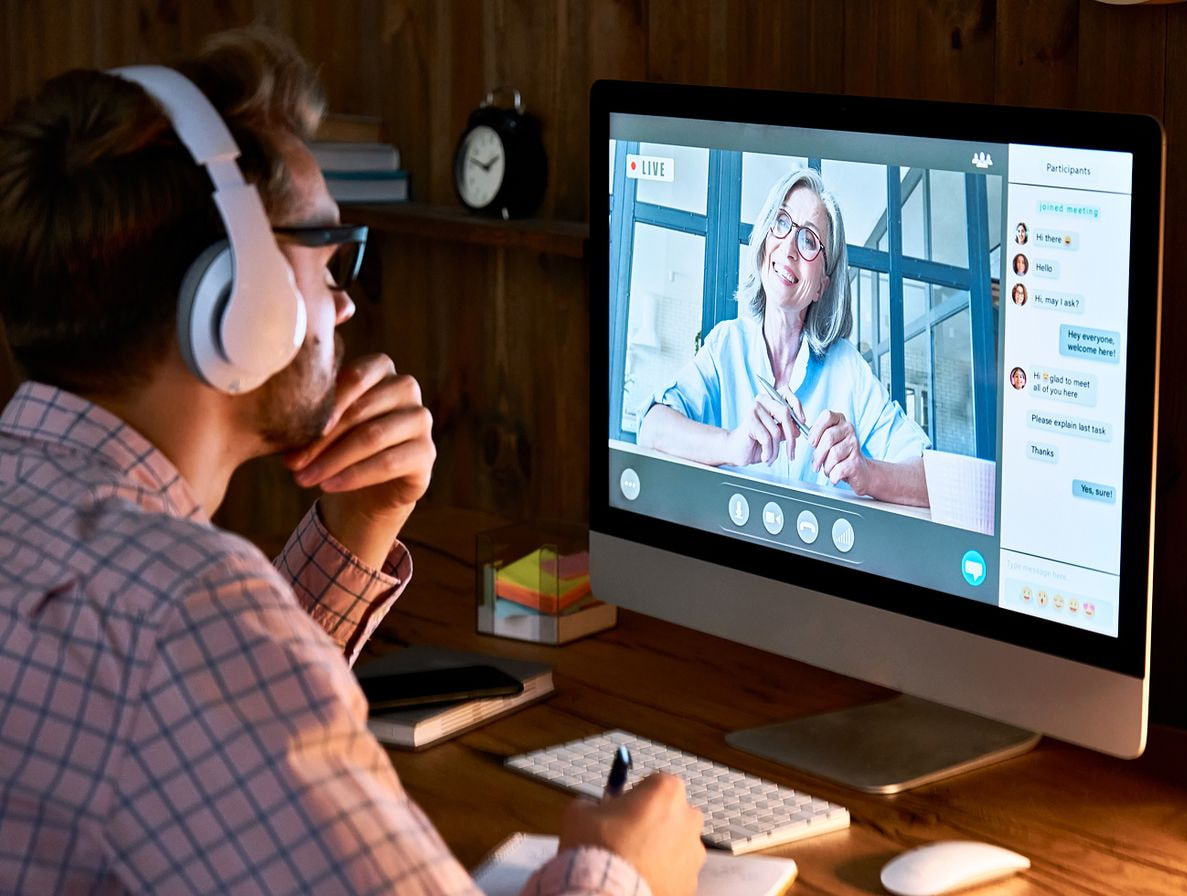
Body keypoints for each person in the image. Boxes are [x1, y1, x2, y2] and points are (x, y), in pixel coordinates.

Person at [0, 27, 704, 896]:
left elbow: (207, 738)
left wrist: (355, 531)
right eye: (326, 253)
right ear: (236, 301)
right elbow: (188, 659)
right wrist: (625, 872)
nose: (343, 302)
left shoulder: (51, 528)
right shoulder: (181, 613)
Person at [638, 168, 930, 506]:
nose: (789, 247)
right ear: (764, 241)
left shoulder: (848, 369)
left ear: (823, 284)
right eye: (781, 222)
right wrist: (731, 444)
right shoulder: (726, 345)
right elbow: (652, 429)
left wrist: (867, 473)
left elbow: (929, 479)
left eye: (808, 239)